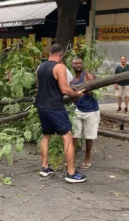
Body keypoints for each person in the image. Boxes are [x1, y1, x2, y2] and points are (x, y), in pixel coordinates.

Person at [34, 43, 87, 183]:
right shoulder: (59, 67)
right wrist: (77, 94)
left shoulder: (40, 67)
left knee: (46, 136)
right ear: (60, 54)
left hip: (41, 105)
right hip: (54, 107)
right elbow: (64, 89)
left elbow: (39, 86)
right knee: (67, 137)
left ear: (50, 52)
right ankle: (71, 173)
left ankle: (44, 168)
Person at [71, 58, 100, 168]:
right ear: (72, 66)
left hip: (91, 110)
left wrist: (82, 91)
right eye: (75, 63)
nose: (78, 65)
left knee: (89, 136)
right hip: (78, 110)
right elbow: (72, 97)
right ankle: (71, 158)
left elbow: (92, 89)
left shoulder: (88, 76)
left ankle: (87, 158)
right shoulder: (72, 81)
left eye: (80, 63)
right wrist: (74, 97)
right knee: (75, 135)